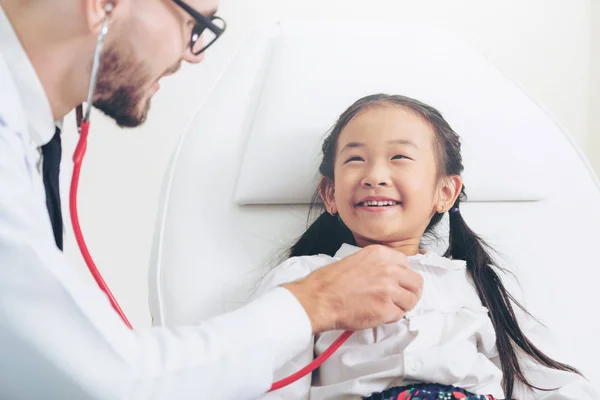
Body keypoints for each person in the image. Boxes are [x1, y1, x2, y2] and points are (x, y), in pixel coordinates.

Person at [0, 1, 425, 399]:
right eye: (194, 24)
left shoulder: (29, 140)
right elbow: (102, 380)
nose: (194, 54)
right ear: (101, 4)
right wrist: (315, 302)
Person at [256, 94, 599, 399]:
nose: (374, 175)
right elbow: (267, 384)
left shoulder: (478, 284)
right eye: (355, 159)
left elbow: (551, 385)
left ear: (445, 192)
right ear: (330, 193)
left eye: (400, 157)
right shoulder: (304, 279)